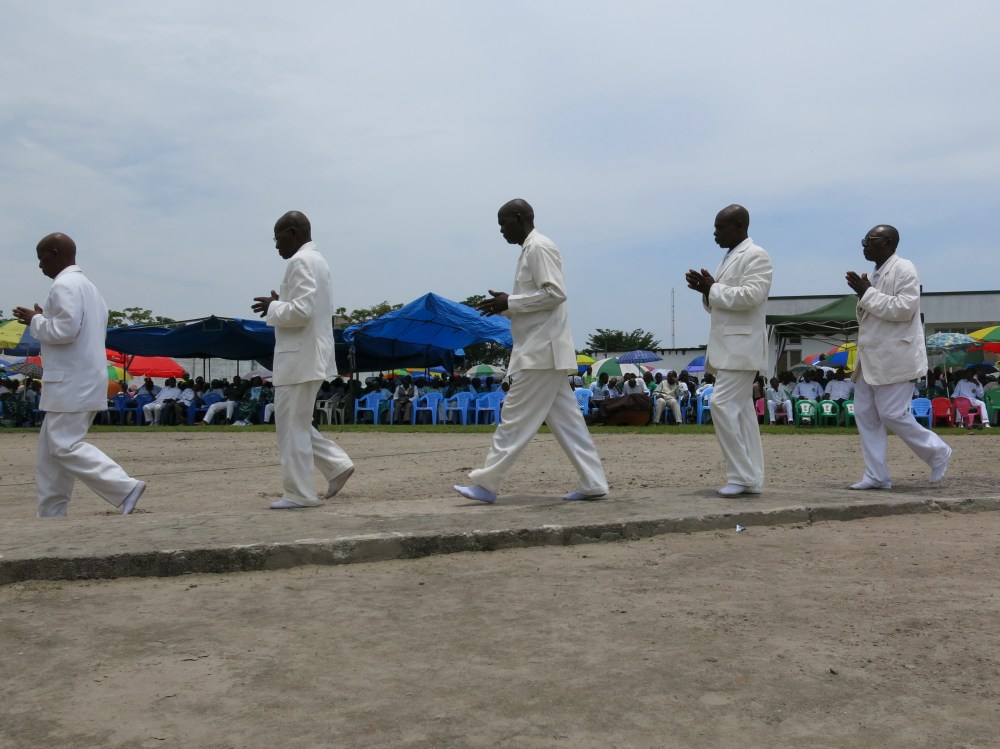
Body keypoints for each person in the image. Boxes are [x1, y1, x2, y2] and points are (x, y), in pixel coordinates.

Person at [453, 199, 608, 503]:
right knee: (568, 423)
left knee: (514, 417)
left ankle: (487, 484)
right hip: (542, 349)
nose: (500, 230)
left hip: (540, 351)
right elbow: (538, 302)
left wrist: (510, 303)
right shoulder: (530, 250)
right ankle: (593, 482)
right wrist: (507, 305)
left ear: (519, 218)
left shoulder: (539, 247)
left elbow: (555, 293)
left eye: (503, 223)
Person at [12, 233, 146, 517]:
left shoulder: (64, 286)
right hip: (81, 379)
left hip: (71, 382)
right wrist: (43, 318)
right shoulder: (88, 287)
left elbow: (64, 332)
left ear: (56, 253)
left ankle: (124, 486)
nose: (39, 266)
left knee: (63, 446)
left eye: (41, 258)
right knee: (50, 454)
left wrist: (35, 321)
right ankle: (51, 512)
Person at [251, 210, 354, 509]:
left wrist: (274, 307)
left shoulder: (301, 261)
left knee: (291, 427)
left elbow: (301, 311)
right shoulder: (317, 261)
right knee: (297, 423)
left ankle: (299, 494)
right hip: (309, 355)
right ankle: (337, 465)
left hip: (300, 358)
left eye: (277, 237)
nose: (275, 245)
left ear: (293, 233)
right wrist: (280, 304)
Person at [845, 224, 952, 489]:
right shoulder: (875, 274)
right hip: (870, 360)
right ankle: (876, 476)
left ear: (890, 243)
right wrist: (868, 291)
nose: (865, 244)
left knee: (892, 413)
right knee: (865, 415)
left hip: (896, 357)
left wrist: (866, 293)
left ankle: (937, 451)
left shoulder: (904, 268)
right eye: (864, 240)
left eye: (871, 240)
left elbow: (903, 309)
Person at [685, 204, 772, 497]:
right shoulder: (730, 256)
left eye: (719, 227)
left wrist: (713, 289)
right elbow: (721, 303)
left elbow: (752, 296)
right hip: (729, 347)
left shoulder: (756, 255)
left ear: (738, 226)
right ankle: (753, 477)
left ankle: (741, 476)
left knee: (721, 405)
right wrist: (706, 292)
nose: (714, 233)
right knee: (744, 415)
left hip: (742, 347)